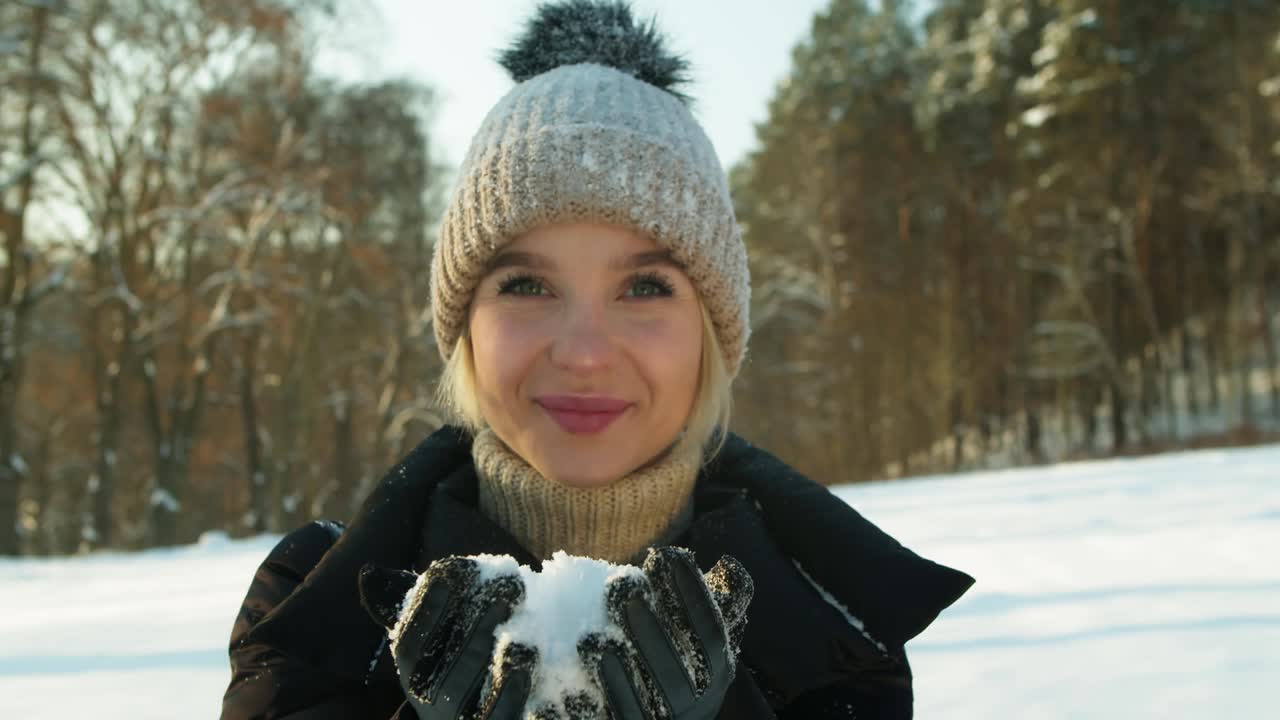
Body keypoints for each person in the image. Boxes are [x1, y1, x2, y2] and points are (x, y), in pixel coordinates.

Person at [220, 2, 974, 718]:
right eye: (526, 285)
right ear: (464, 328)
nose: (583, 354)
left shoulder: (829, 616)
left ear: (710, 330)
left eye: (644, 287)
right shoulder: (310, 607)